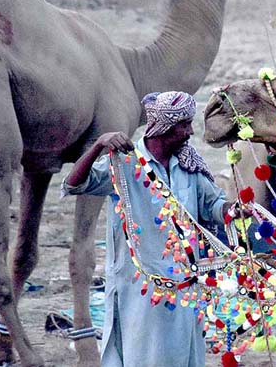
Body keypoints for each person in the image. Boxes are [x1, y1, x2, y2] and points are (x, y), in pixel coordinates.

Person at [61, 91, 230, 367]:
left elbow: (213, 203)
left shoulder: (188, 164)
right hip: (139, 286)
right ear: (163, 127)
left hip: (186, 283)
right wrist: (98, 146)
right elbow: (74, 184)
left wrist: (235, 211)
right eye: (183, 125)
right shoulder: (125, 162)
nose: (190, 132)